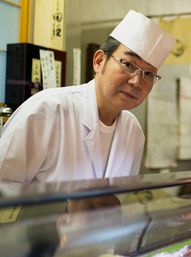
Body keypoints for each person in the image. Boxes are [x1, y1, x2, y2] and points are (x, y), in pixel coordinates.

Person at [0, 10, 176, 184]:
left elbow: (120, 195)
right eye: (129, 65)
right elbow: (3, 185)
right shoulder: (47, 110)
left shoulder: (133, 131)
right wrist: (64, 209)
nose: (137, 82)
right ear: (99, 61)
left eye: (149, 74)